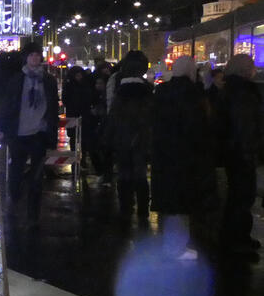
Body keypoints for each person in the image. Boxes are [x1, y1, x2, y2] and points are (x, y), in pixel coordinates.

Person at [151, 55, 216, 260]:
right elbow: (198, 129)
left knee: (170, 202)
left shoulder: (162, 92)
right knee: (182, 201)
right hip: (186, 156)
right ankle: (177, 248)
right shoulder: (193, 94)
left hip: (164, 154)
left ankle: (170, 244)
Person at [0, 42, 59, 229]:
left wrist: (51, 132)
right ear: (26, 58)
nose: (34, 58)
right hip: (19, 133)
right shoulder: (17, 80)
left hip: (39, 133)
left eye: (37, 55)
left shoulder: (48, 80)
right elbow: (8, 105)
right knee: (16, 172)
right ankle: (13, 202)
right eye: (31, 55)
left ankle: (33, 214)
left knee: (36, 177)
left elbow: (53, 107)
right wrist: (1, 127)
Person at [216, 53, 263, 260]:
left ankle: (237, 236)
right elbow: (244, 125)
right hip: (241, 152)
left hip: (233, 151)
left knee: (239, 196)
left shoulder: (231, 89)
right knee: (242, 196)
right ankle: (237, 240)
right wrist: (249, 151)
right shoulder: (243, 92)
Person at [105, 50, 153, 222]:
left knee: (124, 173)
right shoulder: (147, 90)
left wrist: (108, 138)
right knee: (140, 174)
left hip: (122, 138)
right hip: (141, 138)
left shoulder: (120, 90)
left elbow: (112, 115)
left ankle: (125, 207)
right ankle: (143, 210)